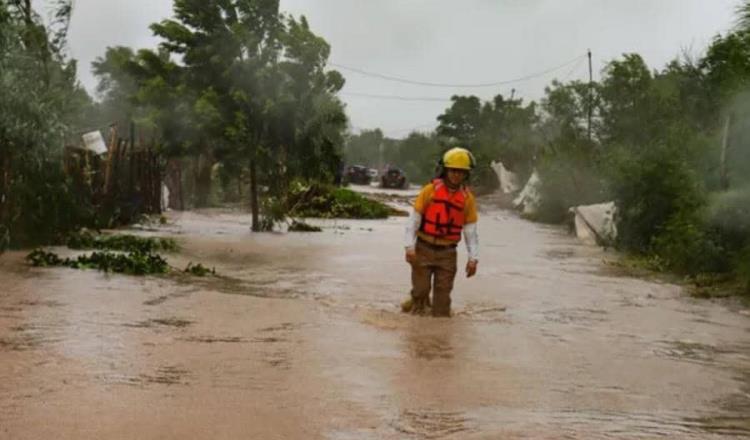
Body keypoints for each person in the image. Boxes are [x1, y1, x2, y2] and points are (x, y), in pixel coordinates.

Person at [403, 147, 479, 317]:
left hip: (448, 253)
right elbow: (414, 221)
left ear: (466, 174)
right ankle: (416, 299)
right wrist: (409, 247)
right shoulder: (429, 191)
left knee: (442, 306)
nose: (456, 175)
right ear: (445, 170)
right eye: (453, 171)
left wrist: (473, 259)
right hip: (423, 248)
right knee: (421, 292)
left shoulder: (467, 200)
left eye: (461, 172)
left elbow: (471, 232)